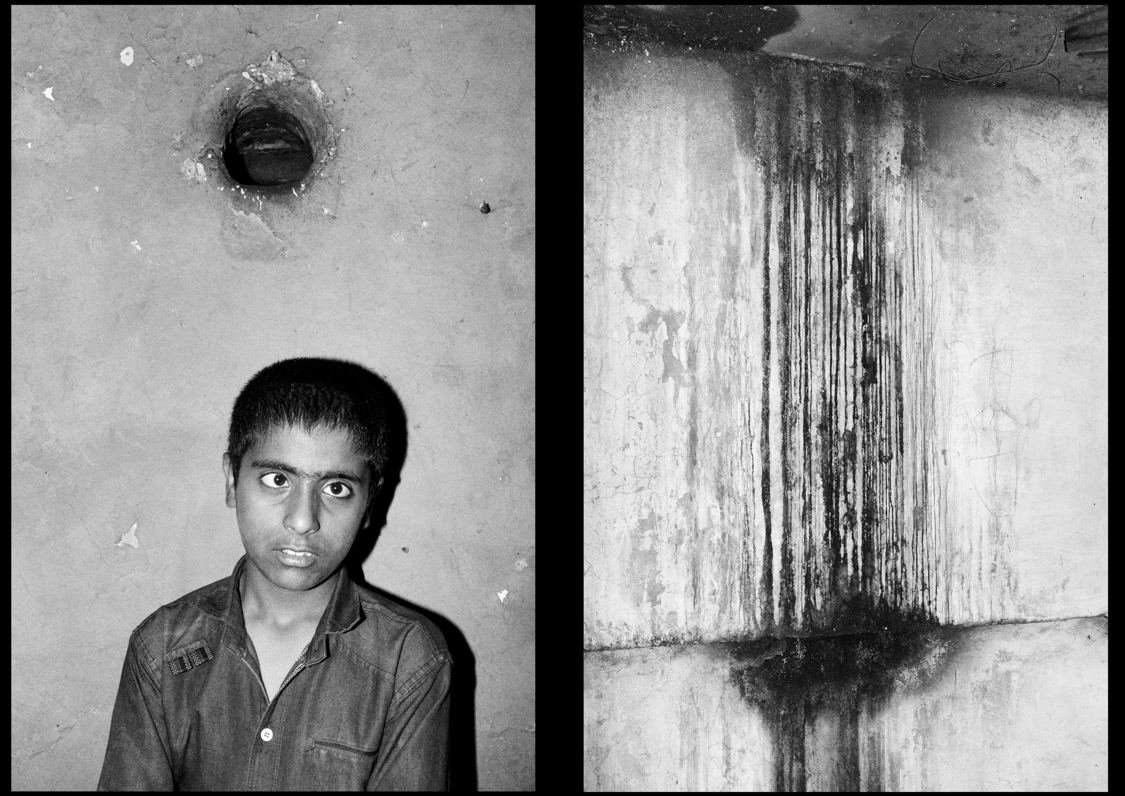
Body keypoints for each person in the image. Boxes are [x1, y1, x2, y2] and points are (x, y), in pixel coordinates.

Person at [97, 358, 451, 790]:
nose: (303, 520)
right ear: (232, 479)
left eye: (336, 488)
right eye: (277, 479)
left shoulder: (409, 659)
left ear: (369, 505)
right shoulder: (163, 647)